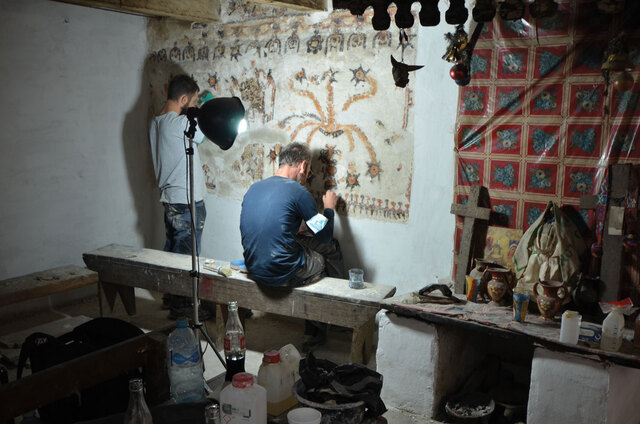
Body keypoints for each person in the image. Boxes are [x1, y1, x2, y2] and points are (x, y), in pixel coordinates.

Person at [240, 142, 346, 351]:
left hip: (253, 266)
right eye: (308, 172)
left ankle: (330, 319)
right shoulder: (298, 192)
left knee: (305, 244)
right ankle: (317, 330)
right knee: (322, 257)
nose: (306, 177)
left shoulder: (255, 187)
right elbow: (324, 236)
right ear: (303, 166)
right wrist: (329, 209)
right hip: (283, 272)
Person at [149, 74, 213, 320]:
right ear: (184, 99)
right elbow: (204, 135)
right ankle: (183, 307)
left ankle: (170, 296)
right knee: (187, 256)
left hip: (169, 199)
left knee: (173, 251)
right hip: (187, 201)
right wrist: (203, 110)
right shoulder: (179, 124)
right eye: (194, 100)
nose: (195, 105)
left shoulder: (156, 123)